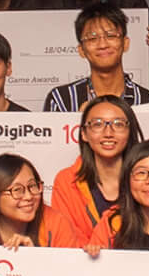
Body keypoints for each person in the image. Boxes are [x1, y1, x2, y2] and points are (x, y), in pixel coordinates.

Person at [45, 97, 141, 248]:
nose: (108, 133)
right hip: (83, 266)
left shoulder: (146, 178)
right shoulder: (66, 180)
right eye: (97, 124)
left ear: (130, 131)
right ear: (84, 133)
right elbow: (66, 236)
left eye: (118, 124)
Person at [40, 4, 149, 113]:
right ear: (81, 50)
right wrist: (76, 121)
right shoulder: (61, 100)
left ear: (125, 43)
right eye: (92, 38)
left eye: (110, 35)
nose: (102, 44)